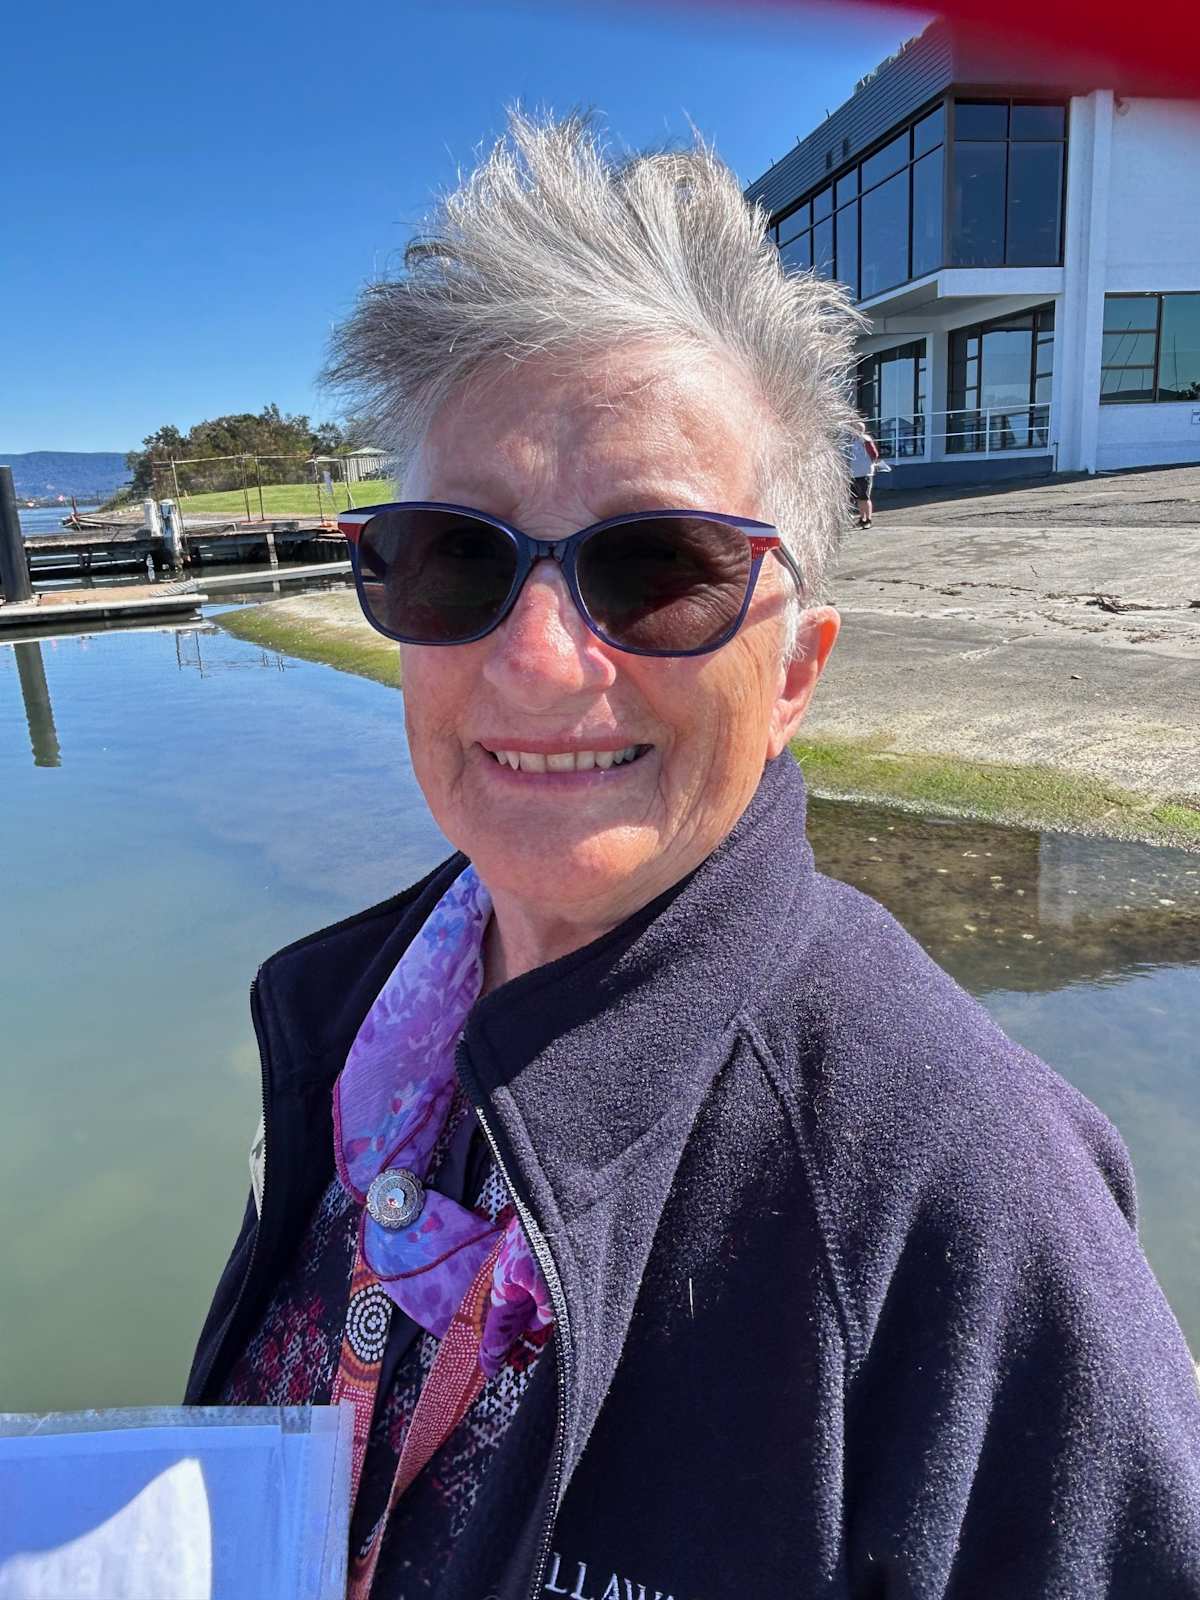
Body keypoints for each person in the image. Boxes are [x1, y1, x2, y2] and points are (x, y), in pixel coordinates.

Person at [187, 112, 1200, 1599]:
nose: (537, 663)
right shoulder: (347, 1020)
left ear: (796, 673)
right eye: (456, 555)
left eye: (656, 566)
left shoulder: (960, 1184)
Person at [849, 423, 880, 527]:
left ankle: (868, 520)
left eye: (856, 428)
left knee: (865, 498)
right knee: (859, 498)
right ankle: (862, 518)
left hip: (864, 473)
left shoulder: (865, 440)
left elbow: (874, 455)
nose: (853, 430)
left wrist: (869, 465)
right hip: (854, 474)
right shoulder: (851, 441)